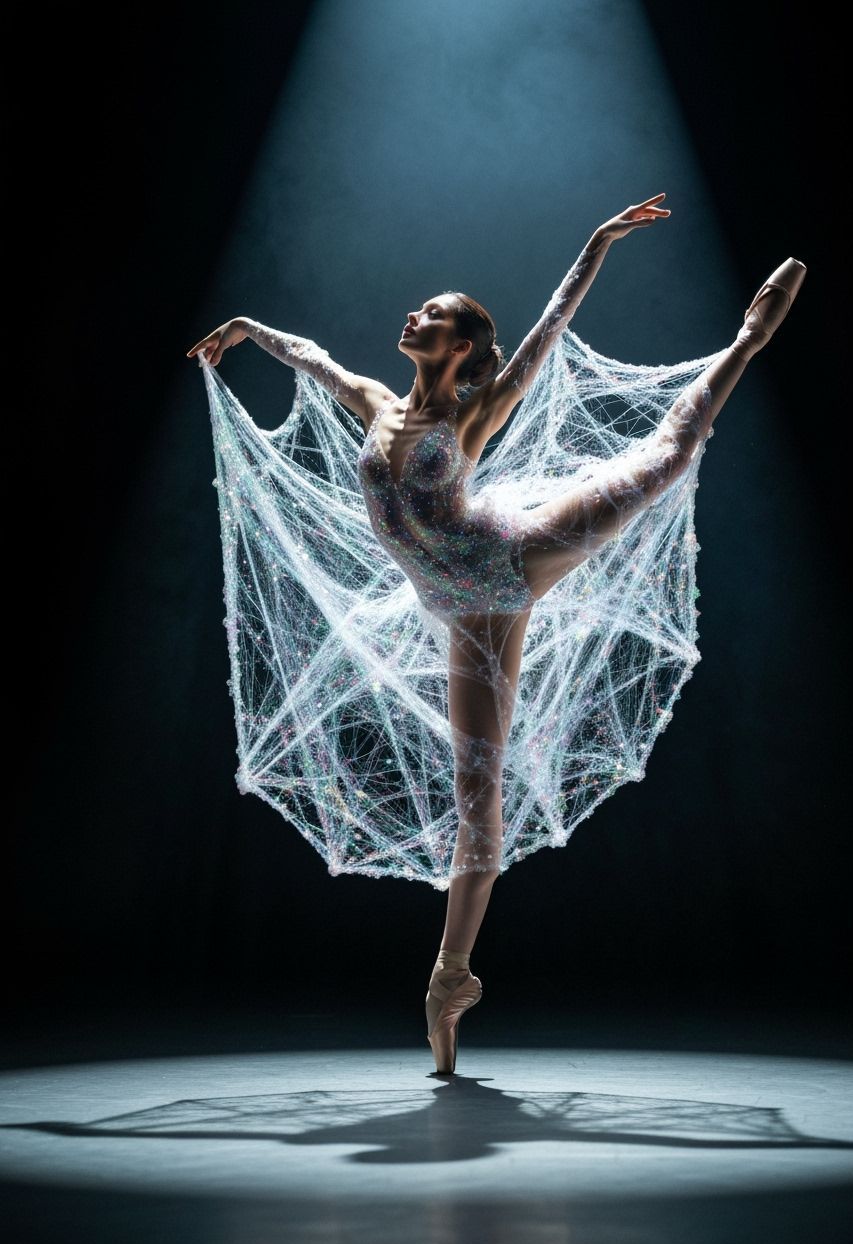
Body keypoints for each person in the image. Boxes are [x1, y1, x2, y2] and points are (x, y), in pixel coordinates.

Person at [188, 194, 806, 1073]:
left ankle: (748, 338)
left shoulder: (475, 413)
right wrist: (248, 326)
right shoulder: (375, 403)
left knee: (662, 460)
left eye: (433, 316)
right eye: (420, 310)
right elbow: (318, 359)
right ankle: (452, 983)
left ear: (465, 348)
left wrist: (597, 243)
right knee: (476, 798)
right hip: (457, 610)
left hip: (512, 561)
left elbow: (549, 330)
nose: (414, 316)